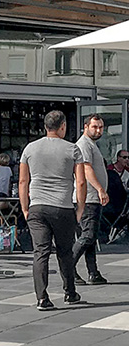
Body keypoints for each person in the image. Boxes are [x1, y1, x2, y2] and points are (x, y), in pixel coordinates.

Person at [19, 110, 86, 311]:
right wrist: (80, 209)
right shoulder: (73, 149)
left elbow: (23, 180)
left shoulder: (30, 149)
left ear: (45, 127)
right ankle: (70, 292)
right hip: (62, 207)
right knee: (65, 252)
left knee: (41, 252)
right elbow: (81, 182)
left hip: (37, 206)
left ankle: (42, 298)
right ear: (63, 126)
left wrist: (24, 207)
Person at [73, 114, 110, 286]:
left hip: (92, 198)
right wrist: (100, 189)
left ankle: (93, 272)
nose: (98, 130)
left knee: (90, 236)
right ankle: (68, 266)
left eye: (101, 127)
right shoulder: (84, 144)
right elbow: (86, 169)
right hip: (88, 198)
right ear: (86, 127)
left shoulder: (92, 145)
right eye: (95, 127)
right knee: (87, 235)